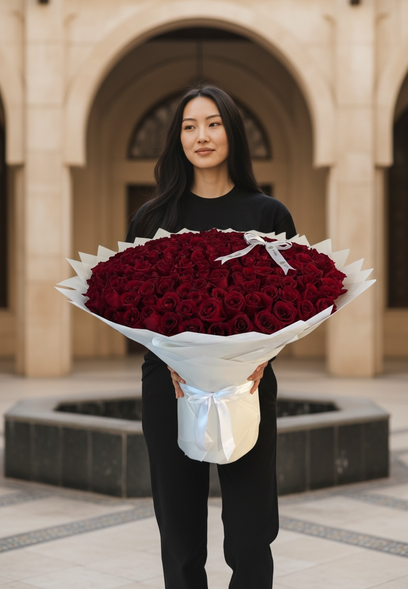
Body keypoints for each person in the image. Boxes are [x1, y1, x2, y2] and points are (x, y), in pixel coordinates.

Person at [126, 84, 296, 589]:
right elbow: (135, 307)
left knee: (250, 531)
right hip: (169, 386)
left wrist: (261, 359)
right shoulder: (153, 218)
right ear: (178, 138)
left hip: (247, 383)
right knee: (178, 533)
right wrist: (174, 360)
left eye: (213, 123)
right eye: (189, 126)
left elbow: (293, 303)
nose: (202, 136)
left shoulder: (268, 215)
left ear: (232, 132)